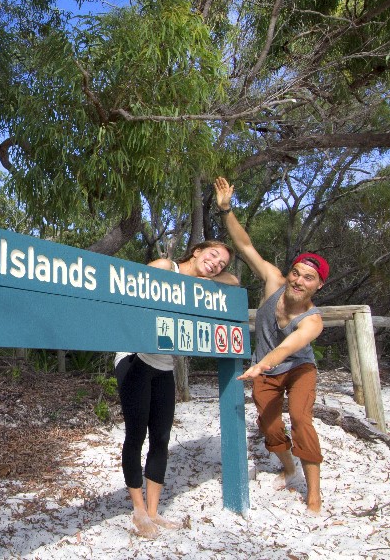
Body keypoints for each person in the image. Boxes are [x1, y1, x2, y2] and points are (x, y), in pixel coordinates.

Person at [214, 176, 328, 514]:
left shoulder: (313, 320)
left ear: (318, 286)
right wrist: (226, 210)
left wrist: (262, 364)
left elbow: (288, 347)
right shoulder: (274, 282)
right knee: (269, 423)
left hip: (296, 368)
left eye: (308, 278)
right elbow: (246, 246)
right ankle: (288, 467)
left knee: (300, 419)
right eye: (296, 273)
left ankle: (314, 492)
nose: (298, 280)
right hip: (264, 368)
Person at [114, 241, 239, 538]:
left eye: (221, 263)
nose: (216, 264)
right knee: (136, 435)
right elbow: (129, 290)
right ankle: (139, 510)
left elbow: (234, 281)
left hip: (164, 363)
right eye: (212, 255)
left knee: (161, 437)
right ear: (196, 251)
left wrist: (207, 277)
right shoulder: (164, 267)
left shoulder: (201, 287)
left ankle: (154, 511)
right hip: (134, 357)